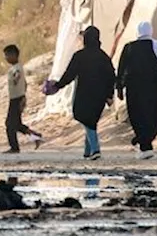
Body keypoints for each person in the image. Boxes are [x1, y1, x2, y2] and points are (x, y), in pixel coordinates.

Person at [48, 26, 116, 160]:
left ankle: (95, 149)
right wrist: (109, 95)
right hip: (99, 96)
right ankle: (88, 151)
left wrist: (58, 85)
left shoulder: (79, 56)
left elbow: (69, 74)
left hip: (83, 95)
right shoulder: (103, 57)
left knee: (84, 117)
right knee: (90, 120)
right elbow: (111, 77)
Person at [118, 21, 157, 160]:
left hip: (134, 90)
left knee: (138, 116)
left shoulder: (129, 48)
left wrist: (119, 88)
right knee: (154, 116)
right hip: (154, 89)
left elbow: (122, 69)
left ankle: (142, 142)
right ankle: (145, 145)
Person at [3, 44, 43, 154]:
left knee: (10, 124)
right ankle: (35, 136)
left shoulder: (16, 68)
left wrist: (22, 97)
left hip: (17, 99)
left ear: (14, 55)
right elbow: (25, 84)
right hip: (16, 98)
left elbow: (18, 78)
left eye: (7, 55)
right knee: (16, 124)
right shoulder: (15, 68)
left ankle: (14, 147)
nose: (6, 58)